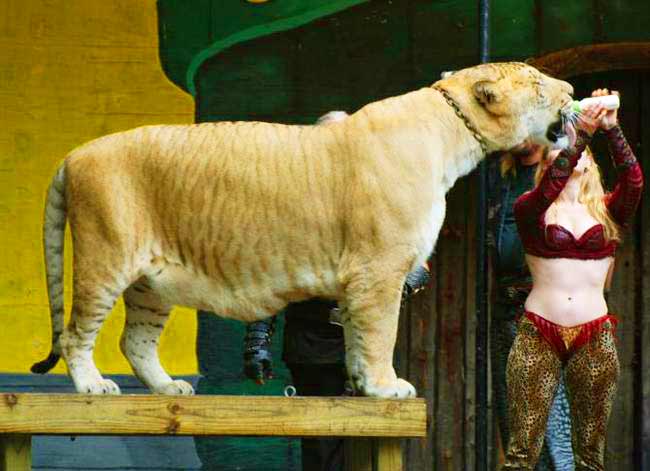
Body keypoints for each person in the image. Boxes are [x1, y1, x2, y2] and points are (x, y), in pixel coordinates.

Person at [242, 110, 430, 471]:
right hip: (312, 340)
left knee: (369, 443)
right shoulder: (289, 203)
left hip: (368, 340)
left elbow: (418, 262)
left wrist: (394, 286)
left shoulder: (383, 194)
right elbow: (268, 276)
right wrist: (258, 339)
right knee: (323, 446)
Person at [503, 89, 643, 470]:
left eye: (569, 155)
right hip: (538, 333)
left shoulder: (608, 211)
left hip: (593, 335)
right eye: (555, 158)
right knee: (521, 452)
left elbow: (633, 181)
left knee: (590, 453)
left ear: (590, 165)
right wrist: (581, 132)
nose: (561, 160)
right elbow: (555, 178)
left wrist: (611, 129)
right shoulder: (530, 208)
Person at [488, 143, 574, 470]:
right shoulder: (500, 178)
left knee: (554, 431)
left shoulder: (556, 176)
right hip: (505, 311)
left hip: (545, 313)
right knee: (514, 427)